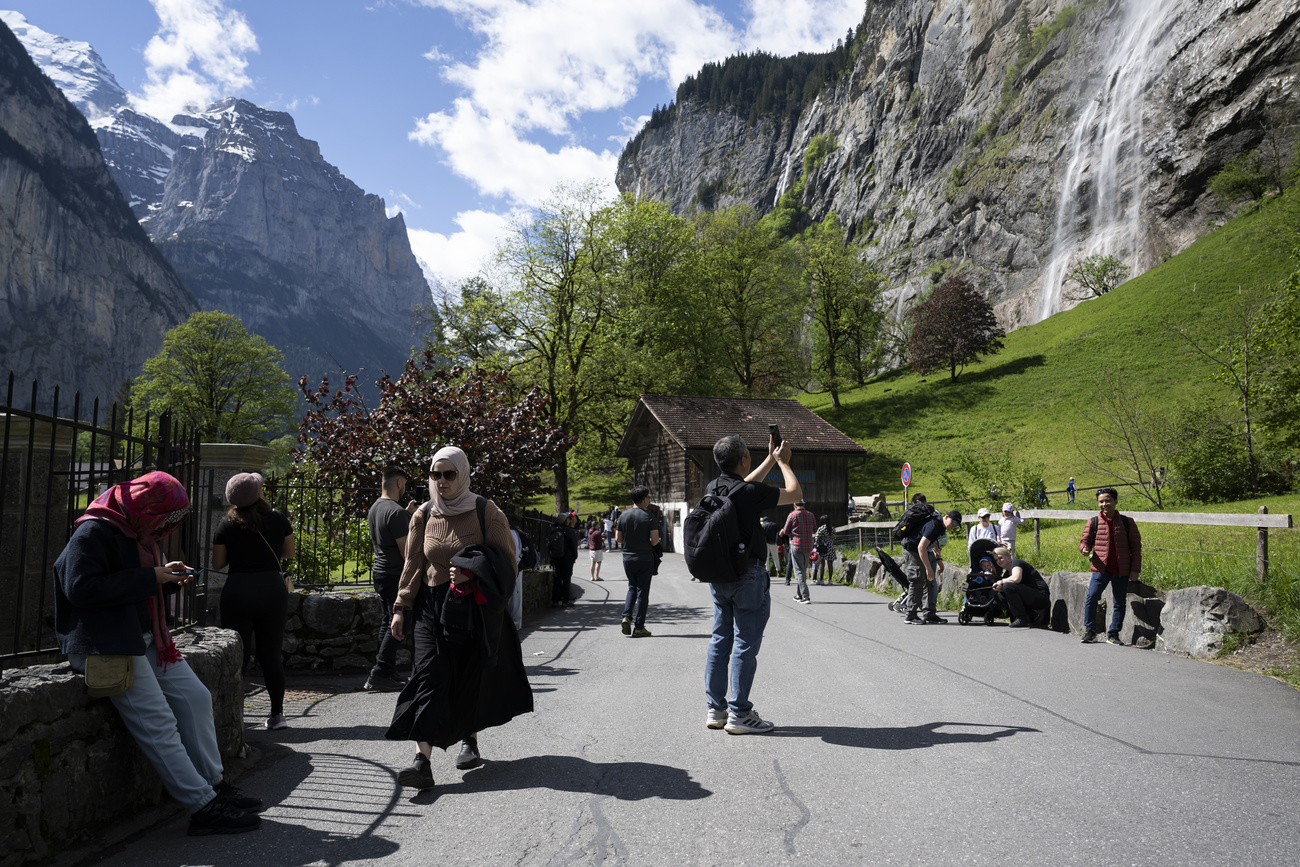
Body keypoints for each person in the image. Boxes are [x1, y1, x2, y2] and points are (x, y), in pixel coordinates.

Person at [54, 471, 263, 835]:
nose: (166, 527)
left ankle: (213, 785)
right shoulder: (93, 531)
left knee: (195, 697)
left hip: (141, 637)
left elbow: (131, 585)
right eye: (164, 518)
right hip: (107, 645)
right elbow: (80, 588)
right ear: (145, 506)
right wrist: (153, 577)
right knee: (159, 723)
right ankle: (203, 805)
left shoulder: (132, 529)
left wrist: (164, 580)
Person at [386, 446, 530, 790]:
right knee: (428, 675)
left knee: (467, 674)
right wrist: (400, 607)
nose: (442, 481)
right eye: (436, 474)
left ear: (463, 474)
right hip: (430, 606)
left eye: (449, 474)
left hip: (471, 607)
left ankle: (470, 739)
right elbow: (413, 564)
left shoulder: (486, 512)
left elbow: (507, 566)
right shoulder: (423, 513)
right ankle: (422, 761)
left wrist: (472, 574)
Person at [704, 433, 800, 735]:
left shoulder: (713, 488)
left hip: (720, 575)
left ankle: (716, 709)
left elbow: (744, 484)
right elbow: (795, 493)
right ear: (743, 459)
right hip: (749, 574)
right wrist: (784, 463)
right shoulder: (750, 493)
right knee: (745, 643)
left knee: (720, 640)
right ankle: (740, 714)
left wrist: (770, 458)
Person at [212, 472, 294, 731]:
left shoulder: (226, 525)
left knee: (238, 655)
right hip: (271, 589)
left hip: (238, 590)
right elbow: (288, 553)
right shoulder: (278, 519)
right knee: (271, 654)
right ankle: (277, 714)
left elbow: (218, 563)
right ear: (258, 493)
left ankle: (236, 714)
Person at [365, 466, 411, 693]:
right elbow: (407, 553)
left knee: (387, 620)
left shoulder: (376, 507)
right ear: (399, 483)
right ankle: (380, 673)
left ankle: (386, 671)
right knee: (400, 622)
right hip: (395, 574)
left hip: (380, 572)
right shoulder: (397, 512)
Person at [1079, 487, 1142, 645]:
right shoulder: (1093, 522)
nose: (1104, 504)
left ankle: (1113, 634)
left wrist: (1135, 569)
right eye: (1101, 501)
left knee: (1119, 602)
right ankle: (1090, 631)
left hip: (1121, 570)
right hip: (1101, 569)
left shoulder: (1127, 522)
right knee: (1092, 598)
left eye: (1107, 500)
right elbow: (1085, 540)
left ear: (1115, 502)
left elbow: (1136, 548)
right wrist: (1084, 549)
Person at [904, 503, 961, 625]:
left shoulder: (941, 526)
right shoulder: (934, 525)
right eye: (953, 523)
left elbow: (933, 543)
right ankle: (910, 615)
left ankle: (929, 614)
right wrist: (928, 568)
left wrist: (939, 559)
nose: (954, 526)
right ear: (946, 517)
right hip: (913, 550)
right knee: (918, 579)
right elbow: (921, 547)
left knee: (930, 581)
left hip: (923, 550)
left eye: (956, 525)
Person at [616, 486, 660, 637]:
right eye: (648, 497)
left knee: (632, 587)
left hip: (628, 558)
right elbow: (655, 541)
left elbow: (618, 539)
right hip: (644, 558)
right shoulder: (649, 516)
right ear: (644, 499)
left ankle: (626, 616)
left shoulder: (623, 516)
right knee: (643, 592)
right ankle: (639, 627)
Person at [991, 546, 1050, 628]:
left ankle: (1023, 618)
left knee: (1008, 586)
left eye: (1000, 558)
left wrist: (1002, 581)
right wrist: (1000, 589)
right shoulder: (1007, 574)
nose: (998, 562)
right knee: (999, 596)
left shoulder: (1017, 563)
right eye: (996, 560)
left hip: (1040, 596)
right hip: (1029, 596)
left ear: (1008, 556)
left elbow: (1016, 578)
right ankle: (1029, 615)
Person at [783, 499, 816, 604]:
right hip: (808, 546)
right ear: (804, 505)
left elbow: (785, 531)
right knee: (803, 570)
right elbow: (814, 530)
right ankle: (799, 595)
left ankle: (806, 596)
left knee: (798, 571)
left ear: (795, 505)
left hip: (796, 545)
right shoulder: (811, 515)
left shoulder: (792, 515)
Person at [548, 513, 579, 607]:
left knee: (557, 579)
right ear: (566, 521)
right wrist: (574, 557)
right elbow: (574, 546)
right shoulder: (569, 531)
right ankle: (565, 601)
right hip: (567, 558)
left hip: (557, 558)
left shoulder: (555, 530)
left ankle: (555, 601)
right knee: (566, 579)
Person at [812, 515, 836, 585]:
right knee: (830, 564)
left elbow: (816, 538)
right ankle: (830, 580)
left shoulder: (821, 528)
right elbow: (834, 537)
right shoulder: (832, 528)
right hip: (831, 547)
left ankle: (821, 579)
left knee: (822, 563)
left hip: (823, 547)